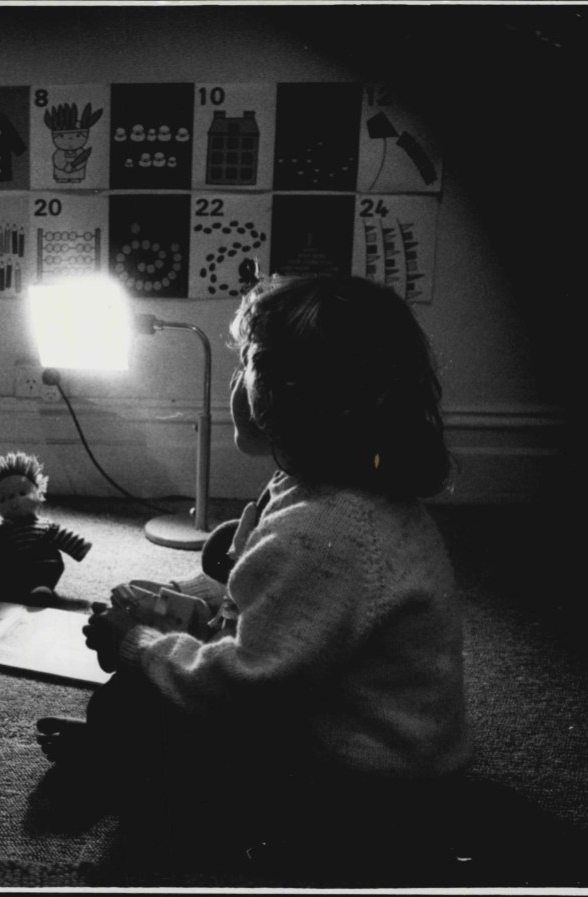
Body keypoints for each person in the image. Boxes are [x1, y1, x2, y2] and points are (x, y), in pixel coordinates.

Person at [36, 274, 472, 883]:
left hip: (365, 784)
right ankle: (119, 760)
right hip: (361, 732)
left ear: (280, 395)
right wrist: (184, 597)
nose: (236, 381)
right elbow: (258, 586)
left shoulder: (325, 532)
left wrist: (135, 645)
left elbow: (246, 689)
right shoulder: (322, 492)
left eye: (246, 364)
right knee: (147, 692)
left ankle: (138, 817)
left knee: (144, 698)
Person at [0, 451, 92, 604]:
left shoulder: (47, 526)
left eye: (22, 493)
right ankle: (8, 587)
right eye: (3, 499)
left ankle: (42, 588)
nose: (13, 502)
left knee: (50, 566)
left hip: (42, 564)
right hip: (13, 568)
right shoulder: (2, 530)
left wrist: (79, 546)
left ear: (38, 495)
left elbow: (64, 536)